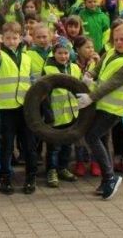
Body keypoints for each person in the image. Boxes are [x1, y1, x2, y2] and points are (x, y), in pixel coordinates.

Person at [76, 20, 123, 200]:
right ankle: (107, 179)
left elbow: (111, 85)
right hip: (102, 105)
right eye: (116, 39)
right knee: (102, 140)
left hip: (113, 108)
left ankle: (110, 178)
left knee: (92, 136)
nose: (119, 42)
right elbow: (100, 66)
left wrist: (90, 97)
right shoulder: (112, 51)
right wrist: (90, 74)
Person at [0, 22, 38, 195]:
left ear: (20, 38)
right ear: (2, 38)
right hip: (7, 108)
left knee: (29, 144)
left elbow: (33, 80)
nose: (11, 41)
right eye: (7, 38)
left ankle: (31, 177)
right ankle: (4, 177)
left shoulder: (28, 57)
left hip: (25, 107)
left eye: (15, 38)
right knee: (7, 144)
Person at [42, 38, 80, 188]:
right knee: (54, 146)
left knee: (67, 144)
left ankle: (63, 168)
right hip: (56, 115)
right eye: (60, 53)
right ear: (54, 53)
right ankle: (51, 171)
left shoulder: (75, 68)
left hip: (72, 114)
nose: (63, 56)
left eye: (66, 53)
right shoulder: (48, 69)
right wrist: (48, 113)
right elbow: (43, 94)